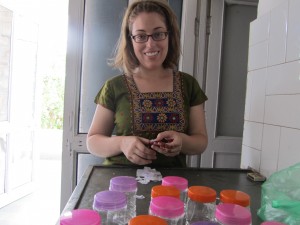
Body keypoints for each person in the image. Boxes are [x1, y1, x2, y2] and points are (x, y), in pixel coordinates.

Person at [87, 0, 208, 167]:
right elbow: (93, 141)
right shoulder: (113, 87)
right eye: (141, 36)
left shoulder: (189, 85)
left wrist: (183, 141)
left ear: (169, 36)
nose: (150, 44)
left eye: (158, 34)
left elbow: (200, 141)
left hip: (172, 187)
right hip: (122, 186)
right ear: (131, 40)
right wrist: (122, 143)